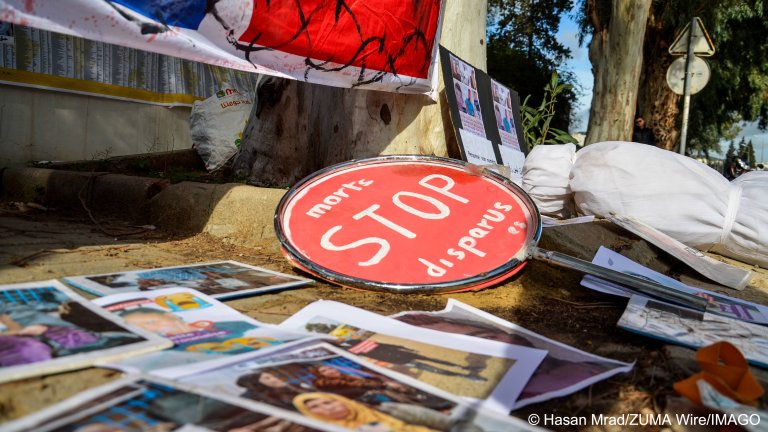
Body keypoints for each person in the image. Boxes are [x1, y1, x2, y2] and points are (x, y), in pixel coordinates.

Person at [292, 392, 435, 432]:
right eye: (314, 407)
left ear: (342, 401)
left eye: (328, 402)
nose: (327, 408)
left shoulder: (385, 409)